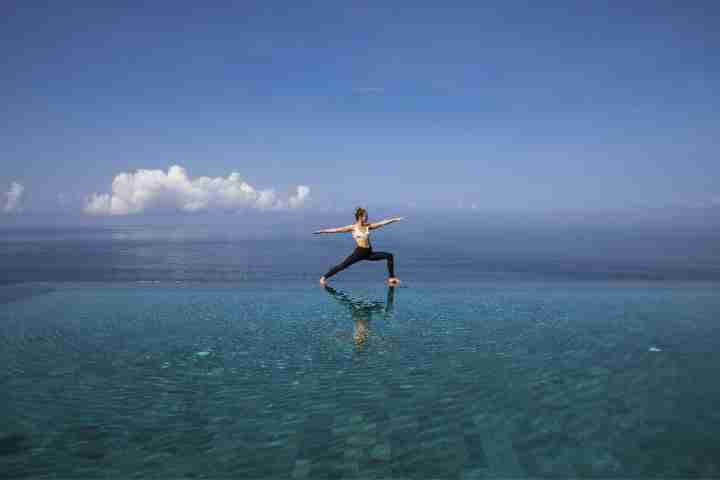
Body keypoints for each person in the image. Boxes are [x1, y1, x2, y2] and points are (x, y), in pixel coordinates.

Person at [313, 207, 403, 285]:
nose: (367, 217)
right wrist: (322, 231)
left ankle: (391, 278)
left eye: (367, 216)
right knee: (342, 266)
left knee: (389, 256)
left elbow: (382, 223)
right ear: (360, 217)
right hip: (359, 253)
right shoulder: (353, 227)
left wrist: (395, 219)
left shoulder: (368, 226)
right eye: (365, 216)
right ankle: (324, 277)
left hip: (369, 253)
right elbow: (337, 230)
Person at [323, 284, 396, 345]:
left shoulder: (363, 331)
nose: (359, 334)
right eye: (360, 336)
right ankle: (328, 288)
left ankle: (327, 288)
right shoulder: (367, 332)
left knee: (343, 299)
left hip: (358, 310)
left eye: (358, 336)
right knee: (344, 300)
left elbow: (342, 335)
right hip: (364, 310)